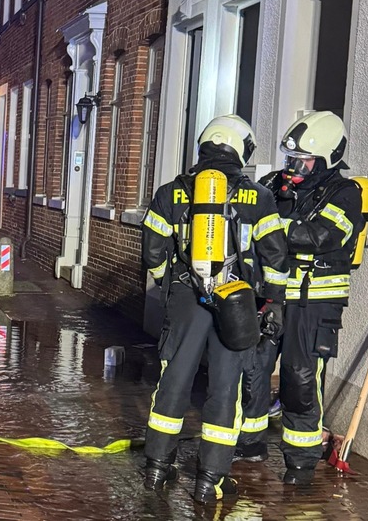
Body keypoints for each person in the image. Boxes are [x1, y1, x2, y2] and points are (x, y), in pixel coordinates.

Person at [141, 114, 289, 504]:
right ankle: (210, 481)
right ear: (241, 149)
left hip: (186, 298)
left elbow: (153, 253)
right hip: (236, 302)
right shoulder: (260, 197)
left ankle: (157, 468)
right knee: (225, 389)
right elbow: (276, 257)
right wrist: (273, 303)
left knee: (173, 381)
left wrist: (172, 285)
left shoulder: (171, 192)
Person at [270, 111, 365, 486]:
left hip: (315, 302)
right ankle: (247, 446)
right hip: (273, 294)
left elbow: (320, 236)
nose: (293, 168)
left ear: (327, 159)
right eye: (290, 159)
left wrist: (268, 226)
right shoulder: (278, 186)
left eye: (304, 161)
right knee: (252, 370)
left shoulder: (345, 194)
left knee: (301, 379)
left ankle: (301, 461)